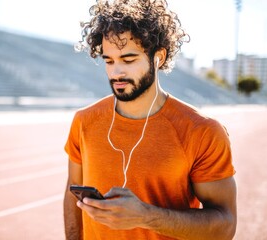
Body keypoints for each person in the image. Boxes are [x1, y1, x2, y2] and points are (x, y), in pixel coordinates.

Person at [63, 0, 237, 239]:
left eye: (128, 59)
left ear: (159, 57)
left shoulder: (202, 131)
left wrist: (145, 216)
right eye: (109, 60)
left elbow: (224, 226)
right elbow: (73, 197)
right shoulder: (84, 121)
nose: (116, 73)